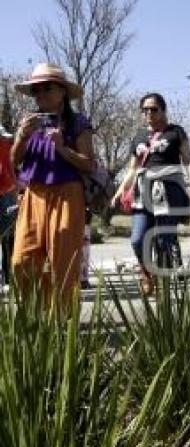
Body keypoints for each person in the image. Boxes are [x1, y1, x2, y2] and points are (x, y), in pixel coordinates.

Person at [11, 63, 95, 306]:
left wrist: (62, 147)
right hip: (33, 194)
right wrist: (21, 137)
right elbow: (15, 162)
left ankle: (60, 323)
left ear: (63, 92)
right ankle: (33, 319)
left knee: (62, 262)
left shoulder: (78, 123)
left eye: (46, 88)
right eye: (35, 90)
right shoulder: (28, 122)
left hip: (67, 195)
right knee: (21, 260)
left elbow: (89, 164)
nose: (40, 94)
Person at [110, 93, 190, 295]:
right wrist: (119, 192)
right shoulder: (139, 137)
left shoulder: (176, 132)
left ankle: (162, 283)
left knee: (163, 239)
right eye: (145, 110)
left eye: (153, 109)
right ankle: (146, 272)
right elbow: (132, 169)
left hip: (169, 190)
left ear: (163, 110)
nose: (149, 113)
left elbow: (188, 160)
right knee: (138, 239)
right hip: (143, 192)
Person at [0, 124, 16, 286]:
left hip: (7, 193)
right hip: (7, 193)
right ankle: (8, 277)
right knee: (7, 236)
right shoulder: (8, 148)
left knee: (8, 237)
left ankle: (9, 276)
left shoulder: (8, 149)